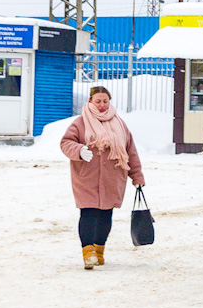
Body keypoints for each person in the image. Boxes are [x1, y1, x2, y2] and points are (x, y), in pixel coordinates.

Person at [59, 85, 145, 270]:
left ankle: (99, 251)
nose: (102, 105)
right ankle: (87, 253)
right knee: (89, 213)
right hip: (86, 178)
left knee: (106, 214)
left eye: (105, 101)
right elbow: (66, 143)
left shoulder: (120, 124)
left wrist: (137, 176)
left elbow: (131, 151)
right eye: (98, 101)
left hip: (113, 177)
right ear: (90, 101)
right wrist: (79, 150)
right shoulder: (80, 123)